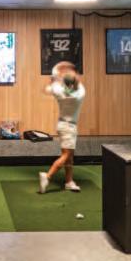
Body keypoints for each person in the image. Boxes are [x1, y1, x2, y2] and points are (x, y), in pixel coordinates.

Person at [39, 61, 85, 194]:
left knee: (70, 156)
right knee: (66, 155)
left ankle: (69, 181)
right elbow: (77, 83)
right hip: (69, 128)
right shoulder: (79, 94)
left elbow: (47, 88)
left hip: (62, 126)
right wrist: (70, 71)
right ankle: (47, 176)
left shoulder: (59, 91)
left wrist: (55, 76)